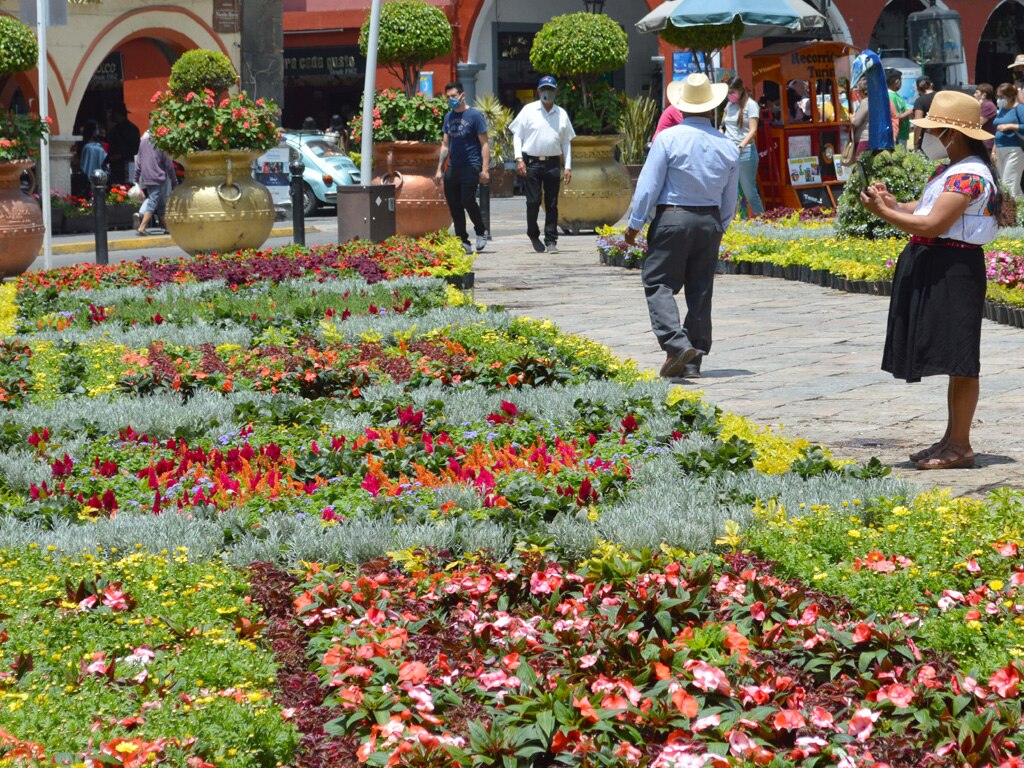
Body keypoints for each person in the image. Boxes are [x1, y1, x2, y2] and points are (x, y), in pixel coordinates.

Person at [860, 90, 1001, 470]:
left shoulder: (969, 175)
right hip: (939, 263)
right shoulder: (953, 169)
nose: (927, 137)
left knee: (961, 360)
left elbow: (933, 223)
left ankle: (960, 445)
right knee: (956, 359)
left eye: (934, 130)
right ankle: (952, 439)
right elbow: (921, 210)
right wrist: (891, 203)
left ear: (952, 134)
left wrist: (882, 214)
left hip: (952, 268)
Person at [624, 73, 739, 380]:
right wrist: (719, 226)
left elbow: (648, 187)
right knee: (701, 290)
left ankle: (676, 343)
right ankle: (693, 359)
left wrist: (634, 225)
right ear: (712, 109)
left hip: (673, 217)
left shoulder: (668, 139)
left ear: (681, 107)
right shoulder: (728, 146)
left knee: (658, 282)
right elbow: (730, 200)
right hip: (709, 220)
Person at [509, 75, 575, 253]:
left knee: (552, 203)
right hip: (532, 163)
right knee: (533, 201)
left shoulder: (561, 114)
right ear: (538, 91)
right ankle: (533, 233)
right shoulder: (528, 110)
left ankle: (551, 239)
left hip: (553, 163)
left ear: (556, 91)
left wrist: (567, 166)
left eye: (551, 89)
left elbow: (567, 142)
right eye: (544, 89)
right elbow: (517, 135)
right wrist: (519, 159)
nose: (547, 92)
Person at [433, 81, 490, 255]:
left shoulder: (474, 115)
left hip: (471, 165)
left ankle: (481, 232)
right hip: (453, 166)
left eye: (454, 96)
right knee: (454, 205)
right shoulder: (448, 117)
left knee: (467, 200)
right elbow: (445, 144)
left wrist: (485, 169)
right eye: (448, 97)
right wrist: (439, 169)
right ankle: (462, 240)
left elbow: (485, 143)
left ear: (462, 95)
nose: (451, 99)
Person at [722, 77, 763, 217]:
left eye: (732, 91)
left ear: (740, 90)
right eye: (728, 92)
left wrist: (740, 147)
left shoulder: (751, 105)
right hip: (728, 152)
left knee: (749, 192)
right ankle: (738, 220)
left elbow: (753, 130)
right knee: (731, 192)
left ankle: (761, 221)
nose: (729, 95)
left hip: (745, 153)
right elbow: (723, 126)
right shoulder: (729, 105)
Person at [134, 130, 177, 235]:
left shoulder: (143, 142)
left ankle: (167, 227)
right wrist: (174, 180)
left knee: (161, 202)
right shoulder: (161, 144)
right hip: (158, 176)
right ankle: (142, 226)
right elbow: (169, 164)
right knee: (153, 201)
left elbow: (138, 161)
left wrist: (136, 178)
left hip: (147, 177)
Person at [993, 83, 1024, 199]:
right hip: (1000, 149)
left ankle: (1009, 216)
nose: (999, 100)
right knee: (1012, 187)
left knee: (1008, 186)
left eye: (1001, 97)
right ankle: (1021, 213)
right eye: (997, 97)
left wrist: (1010, 126)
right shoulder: (1002, 110)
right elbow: (997, 131)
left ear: (1010, 96)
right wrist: (994, 151)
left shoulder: (1020, 108)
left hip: (1015, 150)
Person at [105, 105, 140, 185]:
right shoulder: (114, 130)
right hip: (115, 167)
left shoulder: (132, 129)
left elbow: (135, 148)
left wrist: (121, 155)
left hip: (129, 165)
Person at [886, 70, 913, 147]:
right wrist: (910, 111)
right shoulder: (891, 96)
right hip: (897, 136)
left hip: (902, 135)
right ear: (897, 81)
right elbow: (894, 117)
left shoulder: (895, 96)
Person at [78, 120, 107, 187]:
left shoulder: (99, 144)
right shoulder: (87, 147)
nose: (98, 131)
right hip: (89, 176)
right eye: (96, 129)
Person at [912, 77, 936, 149]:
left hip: (927, 140)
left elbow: (918, 124)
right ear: (931, 84)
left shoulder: (920, 101)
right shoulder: (941, 96)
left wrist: (915, 142)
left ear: (918, 89)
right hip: (945, 138)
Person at [975, 83, 998, 153]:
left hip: (987, 143)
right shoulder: (984, 105)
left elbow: (978, 123)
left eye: (976, 93)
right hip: (982, 142)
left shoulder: (988, 105)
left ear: (984, 95)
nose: (974, 95)